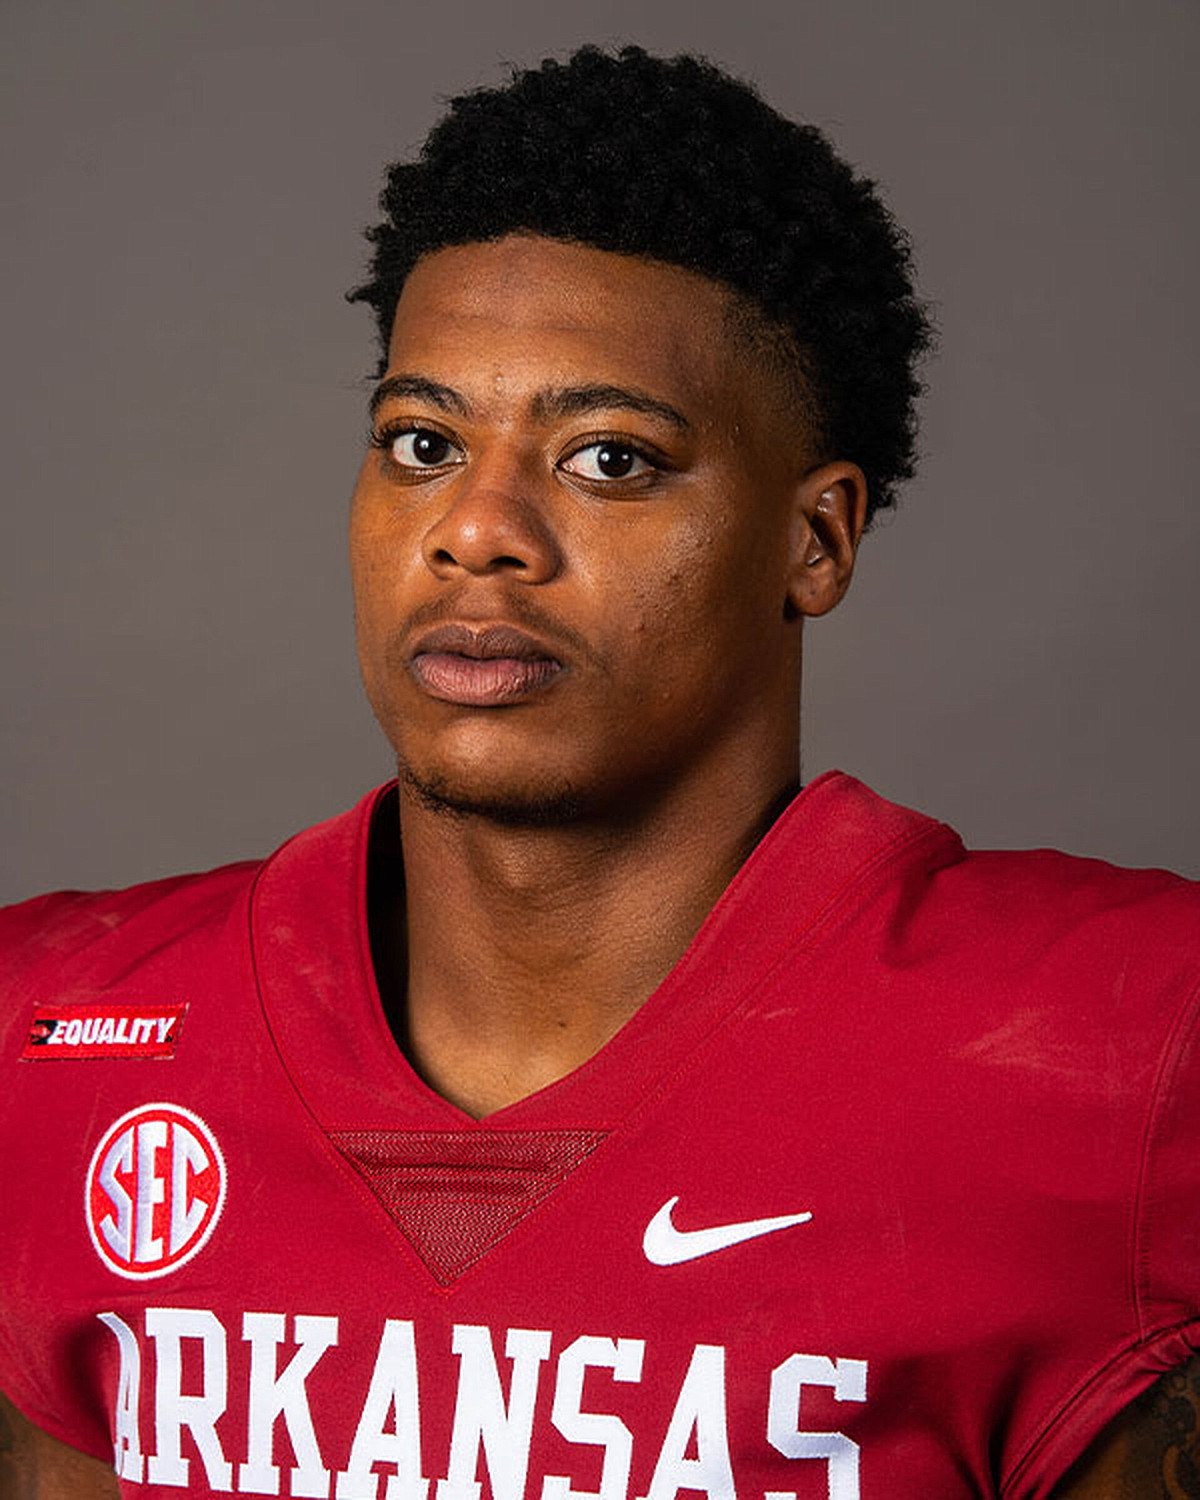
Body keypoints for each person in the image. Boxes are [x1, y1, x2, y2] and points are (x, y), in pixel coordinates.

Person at [1, 43, 1197, 1500]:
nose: (476, 531)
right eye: (422, 442)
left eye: (610, 459)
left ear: (815, 541)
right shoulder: (51, 1034)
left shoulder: (1125, 1054)